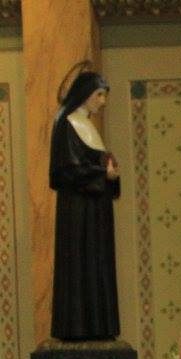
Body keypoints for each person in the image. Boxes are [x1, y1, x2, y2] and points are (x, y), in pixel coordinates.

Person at [50, 69, 121, 342]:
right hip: (77, 213)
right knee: (80, 265)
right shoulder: (66, 123)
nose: (103, 101)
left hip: (96, 212)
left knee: (97, 263)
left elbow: (92, 163)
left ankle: (99, 327)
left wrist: (110, 172)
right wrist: (102, 174)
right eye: (99, 95)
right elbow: (65, 172)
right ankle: (78, 328)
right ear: (85, 94)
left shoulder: (88, 125)